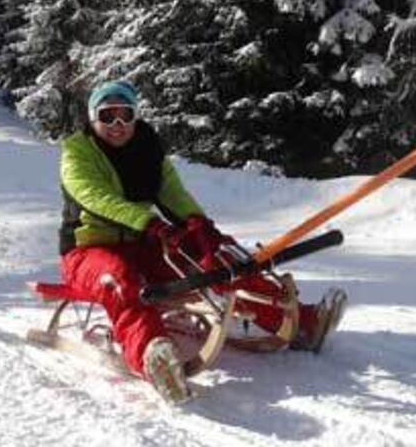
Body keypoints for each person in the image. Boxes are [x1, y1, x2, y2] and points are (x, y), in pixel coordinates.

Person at [58, 80, 341, 403]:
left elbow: (172, 193)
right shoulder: (77, 151)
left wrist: (198, 225)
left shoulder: (147, 147)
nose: (118, 125)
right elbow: (95, 197)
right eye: (108, 116)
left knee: (214, 260)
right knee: (120, 280)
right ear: (94, 118)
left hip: (143, 243)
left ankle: (302, 322)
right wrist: (148, 223)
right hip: (89, 250)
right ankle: (153, 355)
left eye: (126, 115)